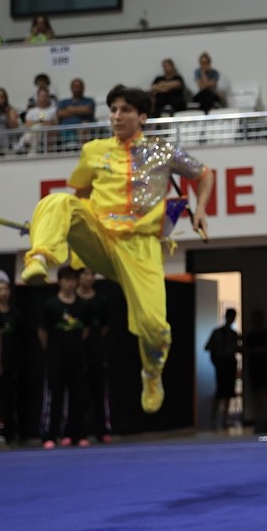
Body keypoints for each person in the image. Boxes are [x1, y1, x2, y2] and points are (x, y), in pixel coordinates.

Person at [21, 85, 215, 413]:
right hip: (101, 239)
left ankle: (152, 373)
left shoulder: (162, 151)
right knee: (56, 201)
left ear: (142, 117)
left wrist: (200, 210)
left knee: (155, 328)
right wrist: (63, 227)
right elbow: (79, 192)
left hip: (141, 247)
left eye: (124, 110)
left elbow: (204, 174)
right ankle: (40, 257)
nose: (116, 116)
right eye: (112, 109)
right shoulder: (94, 150)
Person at [39, 266, 90, 449]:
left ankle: (77, 435)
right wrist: (52, 351)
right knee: (55, 398)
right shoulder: (51, 305)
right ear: (60, 281)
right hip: (56, 359)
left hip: (77, 359)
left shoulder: (82, 306)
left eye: (73, 280)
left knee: (78, 398)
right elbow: (43, 332)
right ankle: (50, 435)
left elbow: (85, 330)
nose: (70, 283)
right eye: (67, 280)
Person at [77, 268, 112, 443]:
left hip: (96, 353)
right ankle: (77, 432)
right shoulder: (73, 302)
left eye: (92, 274)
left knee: (99, 394)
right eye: (85, 274)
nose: (89, 277)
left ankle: (102, 430)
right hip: (75, 355)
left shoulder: (101, 301)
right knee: (78, 395)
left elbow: (105, 327)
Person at [0, 278, 24, 447]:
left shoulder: (15, 315)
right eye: (0, 289)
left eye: (6, 289)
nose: (4, 292)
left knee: (9, 399)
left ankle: (10, 434)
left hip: (11, 362)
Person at [204, 308, 242, 430]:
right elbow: (208, 347)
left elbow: (239, 350)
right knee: (221, 392)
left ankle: (224, 419)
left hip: (229, 363)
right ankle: (214, 419)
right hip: (221, 364)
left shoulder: (234, 334)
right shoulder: (218, 333)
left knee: (228, 392)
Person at [244, 310, 267, 431]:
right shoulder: (250, 336)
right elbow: (248, 351)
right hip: (254, 367)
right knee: (257, 394)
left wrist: (257, 350)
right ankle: (261, 417)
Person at [57, 78, 96, 149]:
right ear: (71, 88)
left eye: (79, 86)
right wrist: (79, 111)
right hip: (65, 130)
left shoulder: (89, 100)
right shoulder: (64, 102)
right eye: (75, 86)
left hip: (82, 130)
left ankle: (85, 150)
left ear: (83, 88)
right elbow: (60, 113)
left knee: (85, 125)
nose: (77, 89)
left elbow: (87, 110)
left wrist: (69, 109)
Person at [16, 87, 58, 154]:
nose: (43, 99)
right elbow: (28, 124)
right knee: (36, 128)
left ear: (48, 97)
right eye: (41, 96)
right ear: (37, 97)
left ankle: (24, 144)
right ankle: (28, 145)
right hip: (34, 133)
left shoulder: (53, 110)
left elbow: (54, 123)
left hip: (47, 134)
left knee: (36, 128)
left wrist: (38, 122)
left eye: (45, 96)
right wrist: (41, 122)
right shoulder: (32, 111)